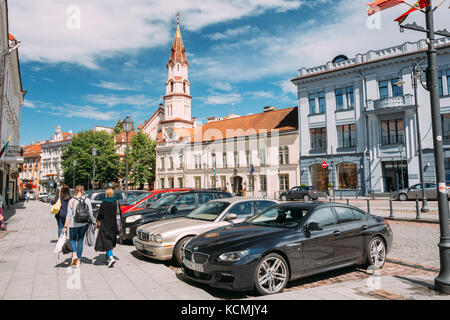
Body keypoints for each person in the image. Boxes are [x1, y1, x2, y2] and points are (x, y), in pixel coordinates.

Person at [62, 185, 94, 268]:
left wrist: (65, 226)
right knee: (80, 240)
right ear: (83, 190)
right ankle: (79, 259)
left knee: (72, 239)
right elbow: (90, 213)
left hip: (73, 224)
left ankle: (74, 257)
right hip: (84, 224)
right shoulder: (87, 200)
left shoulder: (72, 201)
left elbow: (69, 215)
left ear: (75, 191)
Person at [95, 187, 121, 267]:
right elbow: (120, 214)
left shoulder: (104, 203)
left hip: (105, 225)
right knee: (110, 240)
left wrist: (97, 221)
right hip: (113, 225)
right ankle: (108, 257)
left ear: (106, 194)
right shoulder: (116, 202)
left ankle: (111, 257)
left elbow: (100, 214)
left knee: (106, 241)